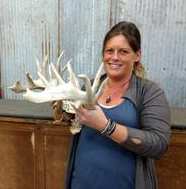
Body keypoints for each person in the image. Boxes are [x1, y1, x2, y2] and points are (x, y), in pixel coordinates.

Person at [65, 21, 171, 189]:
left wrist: (105, 126)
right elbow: (78, 123)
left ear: (137, 55)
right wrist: (64, 110)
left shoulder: (149, 92)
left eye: (123, 51)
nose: (114, 57)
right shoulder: (90, 87)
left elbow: (158, 145)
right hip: (81, 182)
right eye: (109, 51)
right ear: (103, 54)